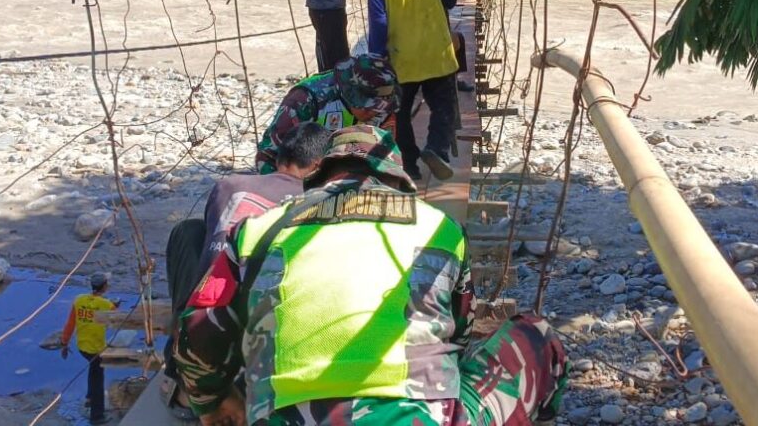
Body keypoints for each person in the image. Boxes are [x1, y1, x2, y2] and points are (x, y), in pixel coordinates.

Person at [172, 125, 568, 426]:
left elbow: (197, 331)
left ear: (321, 176)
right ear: (396, 180)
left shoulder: (259, 230)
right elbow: (460, 335)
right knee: (538, 337)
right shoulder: (439, 229)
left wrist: (211, 401)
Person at [162, 123, 333, 400]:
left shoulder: (230, 185)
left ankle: (177, 363)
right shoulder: (319, 201)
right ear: (318, 166)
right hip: (271, 343)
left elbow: (211, 247)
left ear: (279, 157)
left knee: (188, 232)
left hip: (205, 335)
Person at [366, 0, 459, 181]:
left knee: (401, 114)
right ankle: (437, 149)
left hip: (401, 58)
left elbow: (379, 22)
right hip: (437, 52)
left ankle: (409, 166)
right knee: (443, 106)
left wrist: (377, 57)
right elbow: (450, 0)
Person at [254, 54, 399, 174]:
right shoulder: (306, 100)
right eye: (368, 107)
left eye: (379, 108)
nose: (374, 114)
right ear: (349, 95)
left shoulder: (383, 109)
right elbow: (267, 154)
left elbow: (385, 158)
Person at [61, 272, 116, 424]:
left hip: (82, 347)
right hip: (97, 349)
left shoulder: (78, 300)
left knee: (93, 370)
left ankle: (89, 398)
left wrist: (64, 343)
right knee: (98, 380)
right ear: (104, 287)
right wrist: (115, 306)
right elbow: (115, 315)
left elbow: (70, 325)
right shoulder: (105, 304)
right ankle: (97, 416)